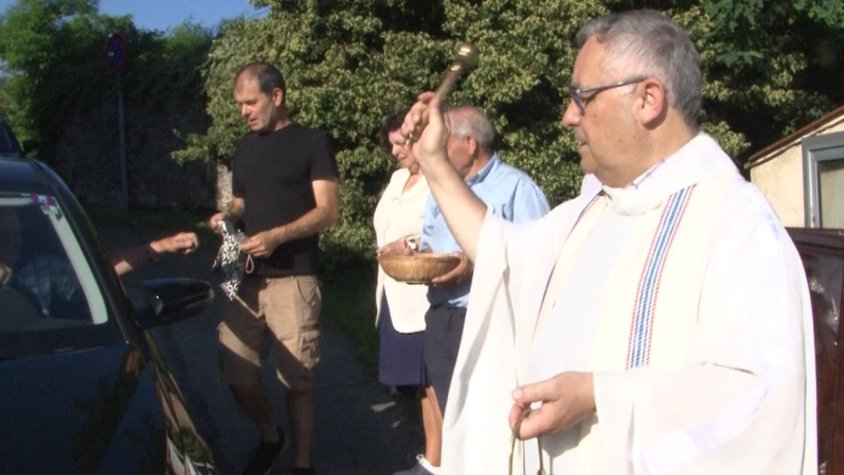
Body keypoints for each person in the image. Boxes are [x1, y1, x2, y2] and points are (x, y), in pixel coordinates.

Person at [401, 9, 816, 475]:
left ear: (648, 99)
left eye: (582, 98)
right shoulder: (596, 208)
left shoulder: (735, 225)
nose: (567, 117)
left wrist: (600, 394)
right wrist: (434, 162)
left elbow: (762, 401)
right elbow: (502, 256)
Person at [394, 105, 549, 475]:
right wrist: (412, 254)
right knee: (456, 417)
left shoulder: (517, 188)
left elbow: (539, 265)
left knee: (495, 420)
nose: (434, 150)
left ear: (469, 143)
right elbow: (433, 247)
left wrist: (475, 264)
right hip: (443, 319)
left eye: (442, 141)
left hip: (492, 320)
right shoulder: (440, 190)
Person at [208, 61, 339, 475]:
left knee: (297, 381)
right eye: (239, 105)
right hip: (248, 281)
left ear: (276, 96)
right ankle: (270, 435)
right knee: (237, 372)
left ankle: (301, 465)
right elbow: (245, 204)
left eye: (251, 102)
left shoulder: (312, 143)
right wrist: (227, 215)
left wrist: (279, 236)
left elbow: (329, 211)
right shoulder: (244, 148)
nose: (244, 111)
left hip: (294, 279)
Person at [373, 112, 440, 474]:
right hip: (393, 295)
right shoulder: (399, 179)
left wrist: (410, 242)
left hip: (422, 300)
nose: (395, 150)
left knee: (434, 385)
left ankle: (441, 464)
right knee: (420, 387)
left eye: (401, 142)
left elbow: (444, 229)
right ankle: (432, 460)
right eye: (392, 144)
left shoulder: (438, 180)